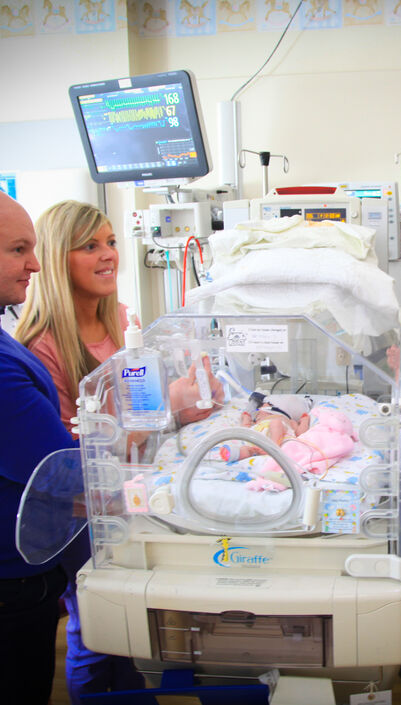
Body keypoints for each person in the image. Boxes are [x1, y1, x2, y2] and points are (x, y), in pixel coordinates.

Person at [13, 199, 224, 704]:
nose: (108, 255)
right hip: (85, 513)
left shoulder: (120, 323)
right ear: (56, 258)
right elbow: (69, 460)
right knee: (97, 627)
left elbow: (141, 419)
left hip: (128, 495)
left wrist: (183, 408)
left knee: (131, 629)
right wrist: (158, 410)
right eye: (90, 246)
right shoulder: (43, 346)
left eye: (110, 242)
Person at [0, 190, 73, 705]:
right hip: (13, 584)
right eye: (18, 249)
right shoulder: (6, 368)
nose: (35, 265)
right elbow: (63, 477)